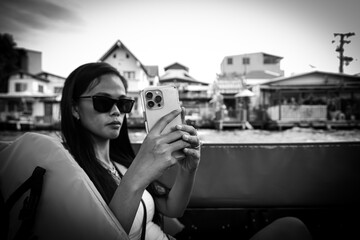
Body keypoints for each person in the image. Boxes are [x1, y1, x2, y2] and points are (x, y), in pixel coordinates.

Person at [60, 62, 312, 240]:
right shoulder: (73, 175)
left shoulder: (121, 164)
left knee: (291, 227)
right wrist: (139, 173)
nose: (116, 112)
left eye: (123, 103)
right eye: (103, 102)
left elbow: (172, 209)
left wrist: (188, 170)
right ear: (74, 109)